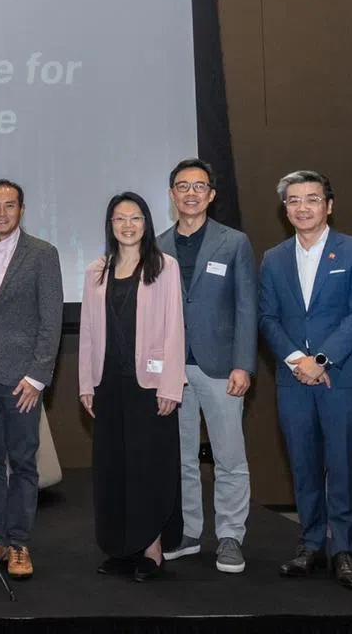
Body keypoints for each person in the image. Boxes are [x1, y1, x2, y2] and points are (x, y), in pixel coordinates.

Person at [259, 170, 352, 590]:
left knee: (342, 465)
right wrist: (297, 360)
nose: (302, 207)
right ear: (285, 208)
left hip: (342, 376)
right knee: (303, 464)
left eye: (312, 198)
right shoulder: (273, 258)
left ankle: (344, 549)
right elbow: (267, 317)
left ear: (329, 204)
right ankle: (311, 545)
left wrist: (322, 360)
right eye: (293, 200)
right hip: (293, 379)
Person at [0, 179, 64, 580]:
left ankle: (19, 544)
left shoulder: (42, 254)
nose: (1, 212)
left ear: (22, 209)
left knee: (22, 462)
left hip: (22, 380)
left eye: (10, 205)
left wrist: (37, 377)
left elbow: (51, 320)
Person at [78, 191, 186, 582]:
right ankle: (121, 548)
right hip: (108, 385)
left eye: (135, 218)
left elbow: (175, 327)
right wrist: (85, 383)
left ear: (146, 223)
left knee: (148, 468)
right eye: (120, 219)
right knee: (113, 469)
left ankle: (152, 547)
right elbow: (88, 333)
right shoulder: (96, 271)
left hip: (151, 386)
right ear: (110, 225)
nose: (128, 225)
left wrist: (171, 385)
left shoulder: (164, 266)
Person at [156, 159, 255, 574]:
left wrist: (243, 364)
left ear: (212, 195)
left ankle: (231, 536)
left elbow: (247, 307)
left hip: (220, 368)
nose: (191, 193)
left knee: (229, 457)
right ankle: (191, 532)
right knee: (181, 459)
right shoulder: (157, 245)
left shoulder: (234, 242)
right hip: (174, 371)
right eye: (182, 186)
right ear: (172, 194)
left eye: (199, 186)